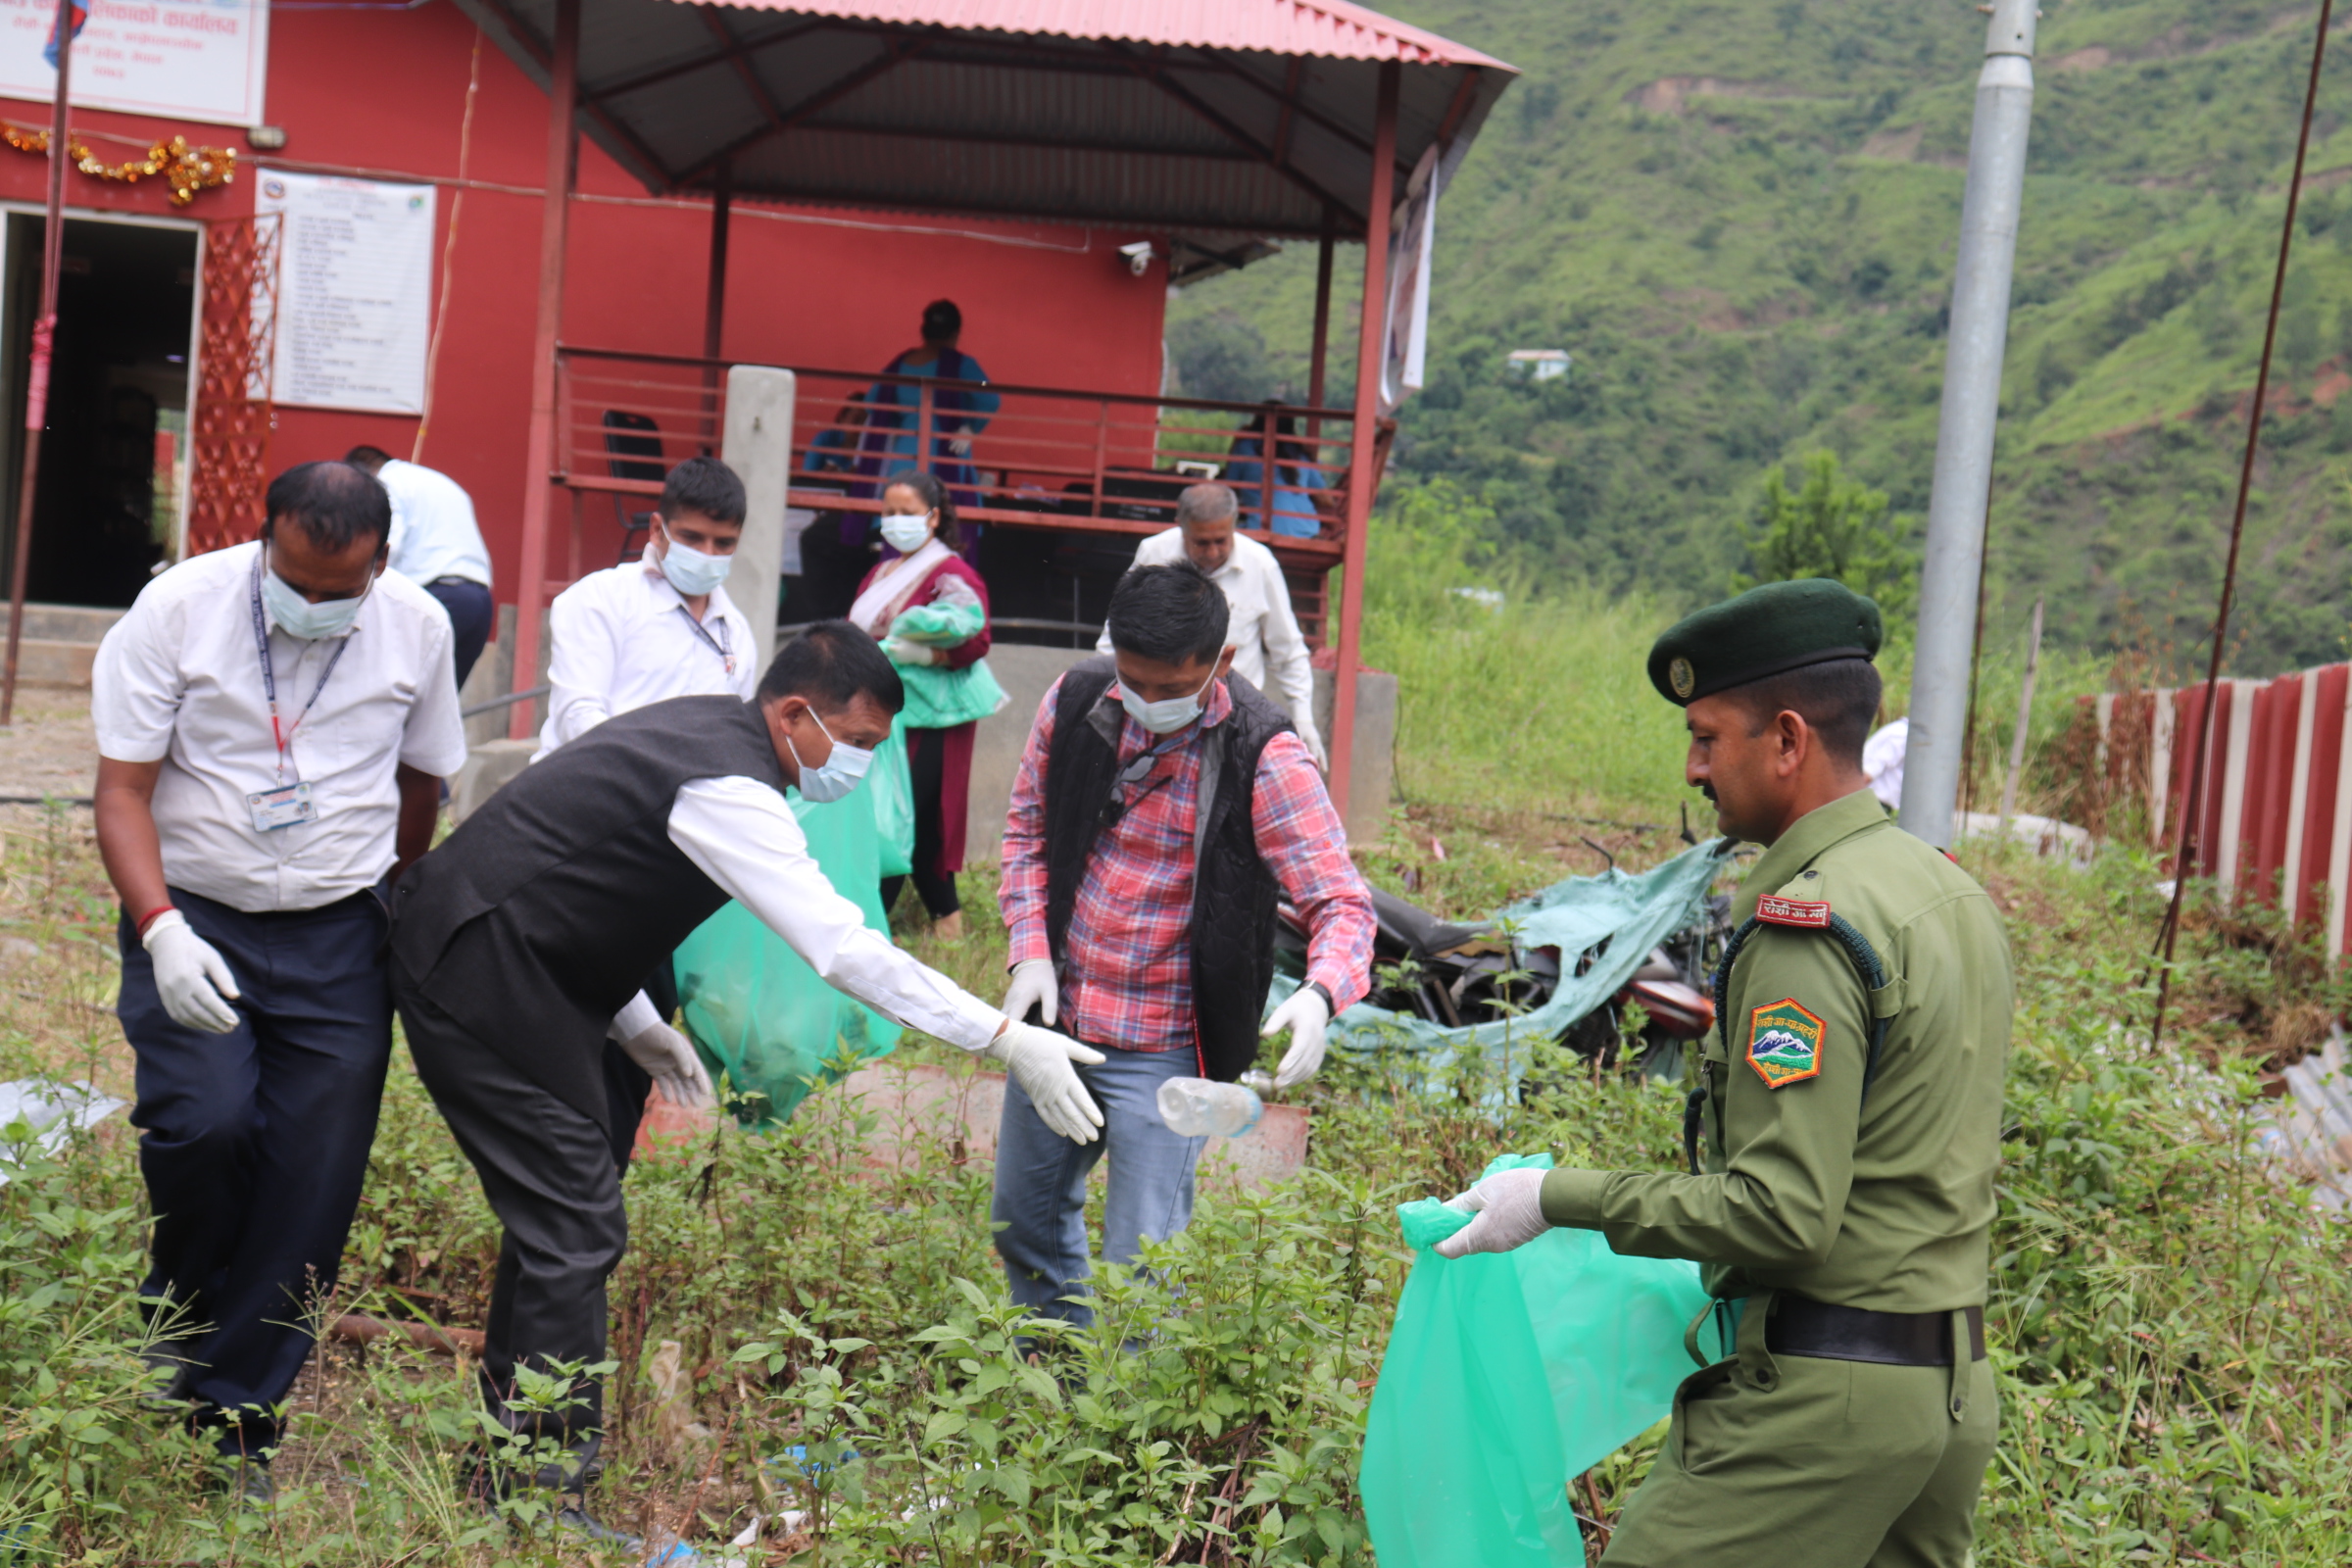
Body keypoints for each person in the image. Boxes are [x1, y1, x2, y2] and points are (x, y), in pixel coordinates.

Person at [388, 623, 1105, 1545]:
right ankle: (541, 1494)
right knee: (576, 1225)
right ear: (796, 713)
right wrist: (1006, 1038)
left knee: (563, 1214)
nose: (859, 765)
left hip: (536, 969)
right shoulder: (726, 784)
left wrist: (638, 1027)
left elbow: (582, 881)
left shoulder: (707, 735)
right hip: (475, 969)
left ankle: (505, 1471)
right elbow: (842, 947)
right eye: (858, 743)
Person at [1435, 578, 2013, 1568]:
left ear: (1786, 740)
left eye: (1709, 736)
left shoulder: (1809, 926)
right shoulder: (1946, 893)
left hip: (1822, 1404)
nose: (1694, 767)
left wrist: (1551, 1196)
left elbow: (1783, 1213)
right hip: (1949, 1393)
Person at [91, 461, 467, 1502]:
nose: (308, 602)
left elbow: (422, 777)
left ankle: (238, 1420)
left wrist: (391, 901)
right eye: (290, 578)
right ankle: (180, 1295)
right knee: (204, 1122)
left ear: (380, 564)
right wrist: (161, 928)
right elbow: (121, 789)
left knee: (314, 1180)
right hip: (194, 912)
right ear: (264, 540)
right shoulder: (178, 609)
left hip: (337, 934)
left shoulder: (419, 628)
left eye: (334, 589)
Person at [997, 564, 1374, 1334]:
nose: (1147, 701)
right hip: (1058, 1026)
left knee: (1144, 1268)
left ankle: (1119, 1432)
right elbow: (1026, 833)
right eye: (1133, 680)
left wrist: (1321, 994)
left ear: (1221, 664)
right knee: (1023, 1225)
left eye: (1170, 688)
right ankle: (1052, 1380)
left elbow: (1341, 901)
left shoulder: (1264, 754)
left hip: (1167, 1051)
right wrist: (1030, 948)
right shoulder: (1074, 702)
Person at [533, 454, 760, 1162]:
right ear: (658, 529)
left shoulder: (735, 635)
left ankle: (594, 1210)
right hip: (577, 849)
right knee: (569, 1055)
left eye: (724, 544)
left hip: (663, 868)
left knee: (630, 1070)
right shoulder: (599, 602)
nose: (709, 555)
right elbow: (580, 718)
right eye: (693, 538)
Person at [852, 470, 1006, 939]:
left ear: (933, 517)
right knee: (893, 808)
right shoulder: (883, 570)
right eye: (888, 512)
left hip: (934, 714)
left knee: (915, 810)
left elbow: (977, 640)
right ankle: (923, 917)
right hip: (886, 709)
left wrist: (929, 654)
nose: (895, 522)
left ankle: (916, 921)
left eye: (906, 513)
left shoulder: (951, 573)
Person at [1095, 483, 1327, 769]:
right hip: (1156, 710)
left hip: (1233, 719)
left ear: (1234, 526)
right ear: (1181, 528)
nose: (1213, 551)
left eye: (1221, 540)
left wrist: (1303, 718)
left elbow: (1288, 649)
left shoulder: (1261, 565)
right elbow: (1116, 636)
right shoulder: (1154, 552)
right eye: (1201, 542)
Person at [344, 446, 494, 686]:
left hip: (435, 596)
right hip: (479, 602)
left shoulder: (387, 483)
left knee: (390, 693)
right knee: (439, 707)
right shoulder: (440, 483)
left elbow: (390, 542)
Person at [859, 298, 1001, 523]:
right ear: (956, 333)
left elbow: (872, 401)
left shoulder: (900, 364)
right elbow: (991, 398)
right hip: (948, 449)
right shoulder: (962, 364)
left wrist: (898, 422)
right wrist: (971, 429)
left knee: (901, 518)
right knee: (943, 522)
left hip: (904, 454)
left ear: (923, 331)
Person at [1223, 404, 1329, 539]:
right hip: (1307, 531)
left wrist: (1237, 440)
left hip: (1260, 529)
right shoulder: (1299, 454)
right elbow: (1326, 499)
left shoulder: (1245, 447)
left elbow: (1227, 490)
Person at [1863, 713, 1909, 809]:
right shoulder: (1901, 736)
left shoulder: (1901, 730)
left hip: (1873, 803)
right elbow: (1868, 773)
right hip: (1872, 804)